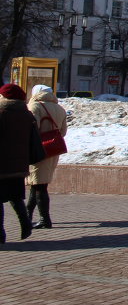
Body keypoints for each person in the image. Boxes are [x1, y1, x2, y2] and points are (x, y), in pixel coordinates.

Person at [0, 83, 41, 242]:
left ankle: (1, 233)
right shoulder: (27, 114)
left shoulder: (2, 113)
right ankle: (26, 224)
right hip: (19, 165)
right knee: (15, 197)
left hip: (2, 165)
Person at [26, 85, 67, 229]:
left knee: (39, 186)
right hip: (53, 150)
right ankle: (27, 216)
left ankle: (45, 219)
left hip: (38, 150)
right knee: (37, 183)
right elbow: (63, 131)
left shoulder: (34, 106)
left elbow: (31, 129)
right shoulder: (60, 108)